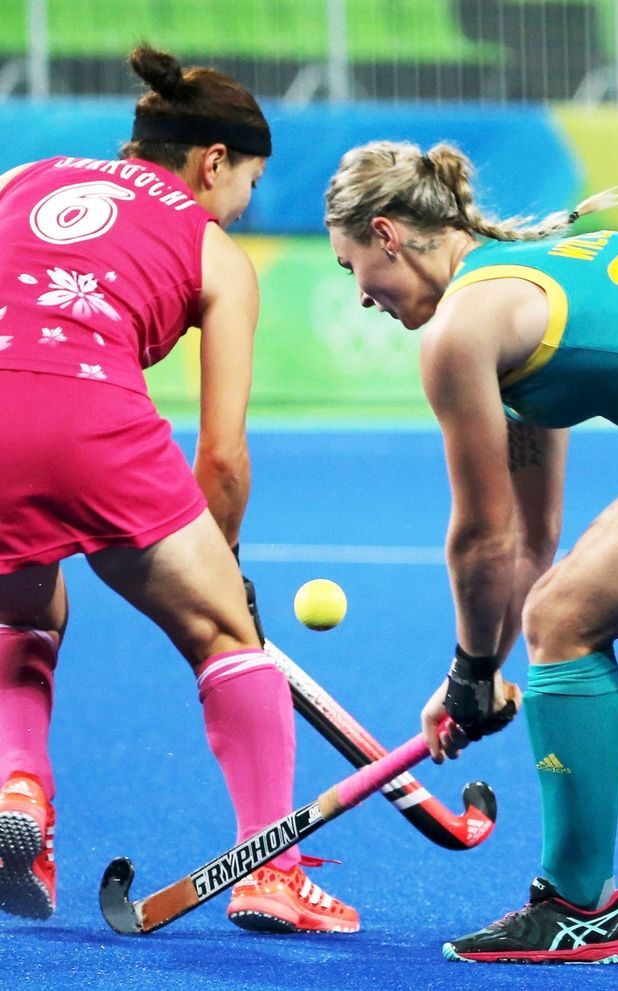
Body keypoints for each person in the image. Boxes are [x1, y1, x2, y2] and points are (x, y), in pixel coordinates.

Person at [0, 45, 358, 936]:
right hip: (92, 418)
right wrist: (223, 568)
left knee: (23, 611)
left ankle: (20, 790)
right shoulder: (215, 250)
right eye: (249, 182)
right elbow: (224, 457)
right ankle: (271, 871)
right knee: (222, 637)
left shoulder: (17, 176)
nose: (246, 204)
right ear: (212, 162)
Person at [324, 138, 618, 963]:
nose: (363, 299)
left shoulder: (461, 330)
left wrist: (470, 673)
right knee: (562, 605)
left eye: (353, 271)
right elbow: (531, 535)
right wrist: (474, 678)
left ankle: (581, 909)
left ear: (386, 234)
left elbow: (483, 539)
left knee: (564, 615)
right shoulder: (527, 277)